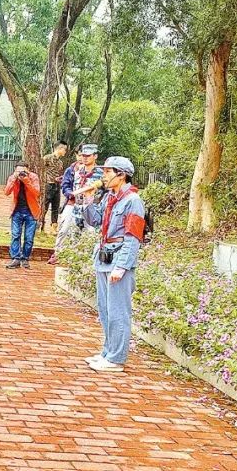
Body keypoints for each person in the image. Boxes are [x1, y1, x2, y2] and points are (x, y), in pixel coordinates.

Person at [82, 156, 146, 373]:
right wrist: (89, 199)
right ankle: (108, 352)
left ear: (122, 174)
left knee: (118, 311)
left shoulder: (133, 201)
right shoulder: (111, 197)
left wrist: (122, 266)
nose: (104, 176)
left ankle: (117, 358)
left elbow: (133, 236)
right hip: (103, 257)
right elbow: (95, 220)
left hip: (118, 260)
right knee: (105, 309)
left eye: (108, 172)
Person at [53, 143, 103, 259]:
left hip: (93, 209)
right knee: (73, 237)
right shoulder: (77, 172)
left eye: (88, 156)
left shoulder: (101, 174)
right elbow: (67, 186)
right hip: (77, 208)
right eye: (83, 155)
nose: (84, 158)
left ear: (95, 156)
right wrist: (70, 193)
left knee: (90, 238)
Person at [4, 161, 41, 268]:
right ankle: (15, 258)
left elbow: (36, 193)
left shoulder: (33, 177)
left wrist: (26, 180)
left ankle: (25, 258)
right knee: (15, 235)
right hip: (17, 211)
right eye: (18, 171)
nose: (21, 173)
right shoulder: (13, 178)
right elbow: (6, 192)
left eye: (23, 171)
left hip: (31, 211)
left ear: (28, 170)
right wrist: (13, 179)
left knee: (29, 238)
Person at [41, 140, 69, 233]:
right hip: (48, 185)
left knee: (55, 207)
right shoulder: (47, 158)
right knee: (44, 205)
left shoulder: (60, 162)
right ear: (59, 148)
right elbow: (41, 170)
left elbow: (59, 173)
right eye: (64, 149)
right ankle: (40, 225)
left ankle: (54, 227)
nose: (65, 151)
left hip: (57, 185)